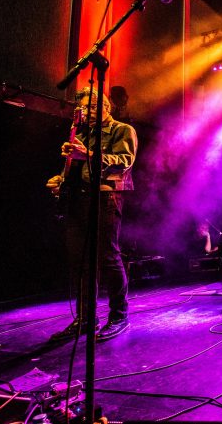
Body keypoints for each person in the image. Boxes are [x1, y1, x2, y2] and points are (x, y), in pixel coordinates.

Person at [46, 87, 138, 342]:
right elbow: (77, 168)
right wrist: (61, 179)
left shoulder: (122, 130)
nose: (82, 113)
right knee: (81, 261)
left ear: (104, 108)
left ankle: (120, 316)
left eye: (87, 108)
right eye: (80, 109)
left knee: (108, 257)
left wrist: (85, 153)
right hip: (78, 197)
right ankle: (86, 319)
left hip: (105, 196)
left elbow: (124, 160)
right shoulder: (82, 133)